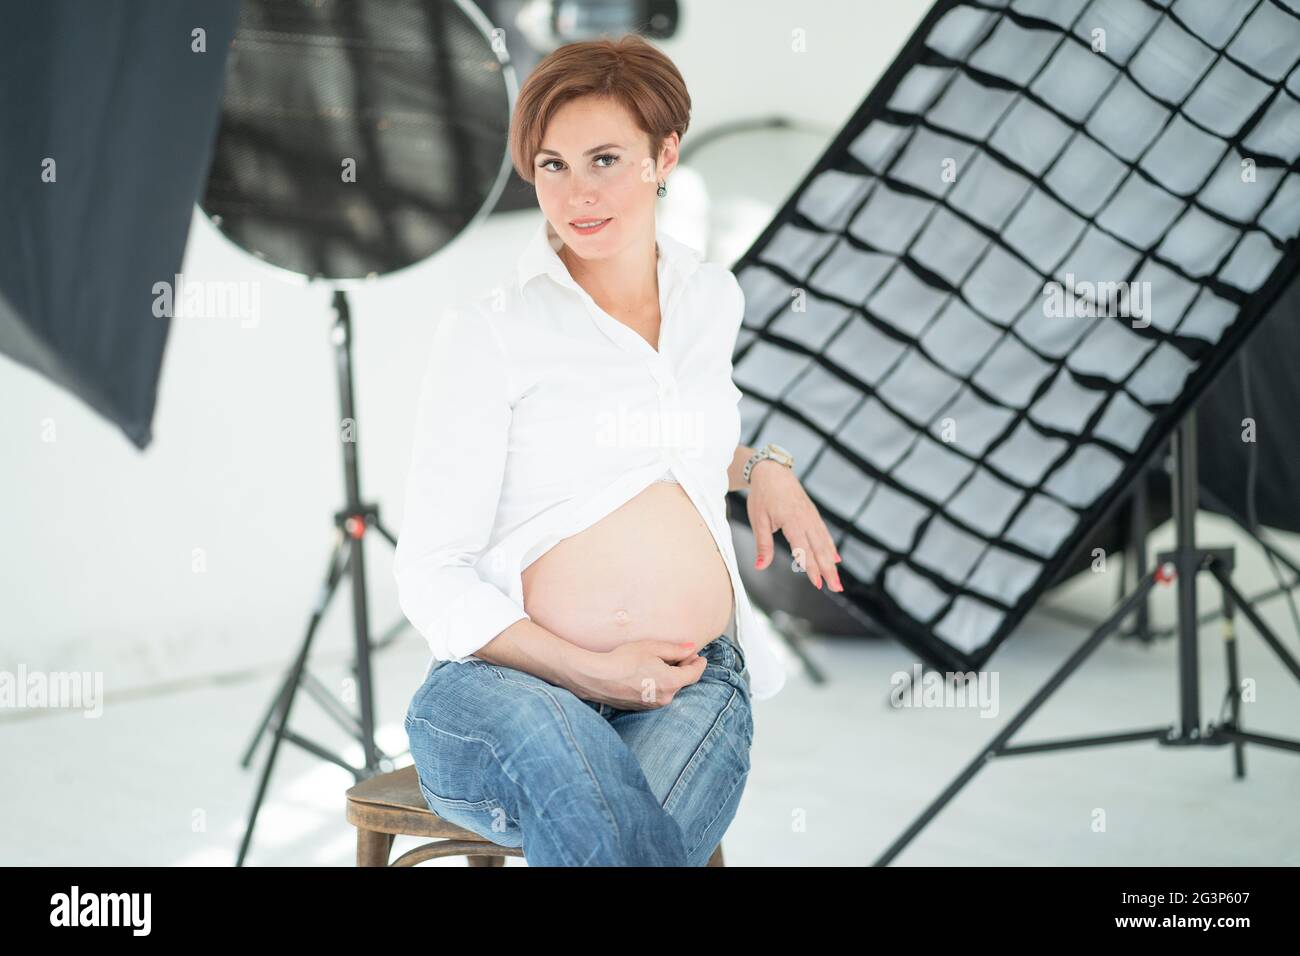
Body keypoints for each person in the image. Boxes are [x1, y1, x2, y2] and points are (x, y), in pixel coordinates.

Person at [396, 34, 842, 866]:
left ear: (664, 155)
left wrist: (763, 467)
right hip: (502, 693)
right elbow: (429, 570)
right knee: (617, 830)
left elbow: (683, 446)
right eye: (553, 164)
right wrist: (584, 669)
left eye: (605, 158)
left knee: (618, 841)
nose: (576, 193)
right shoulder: (493, 331)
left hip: (688, 682)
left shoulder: (711, 297)